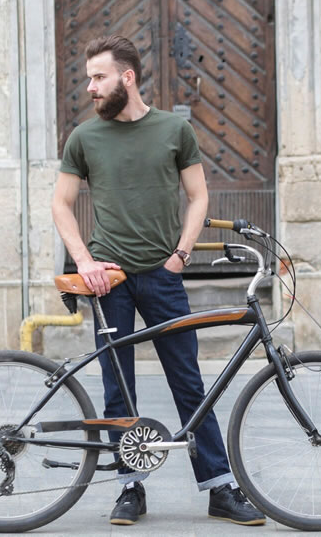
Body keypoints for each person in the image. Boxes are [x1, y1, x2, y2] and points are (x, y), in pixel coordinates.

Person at [51, 35, 265, 527]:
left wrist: (180, 255)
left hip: (163, 276)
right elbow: (61, 204)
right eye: (88, 78)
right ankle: (130, 487)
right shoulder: (84, 138)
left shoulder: (174, 129)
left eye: (99, 77)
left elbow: (198, 196)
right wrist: (84, 261)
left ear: (127, 77)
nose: (90, 87)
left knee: (189, 383)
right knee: (117, 387)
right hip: (110, 278)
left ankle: (218, 487)